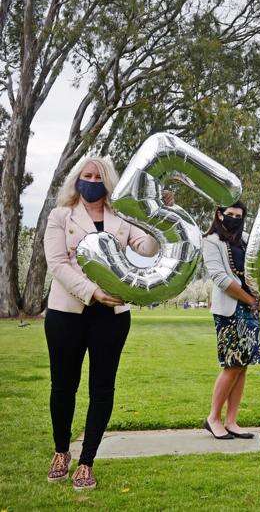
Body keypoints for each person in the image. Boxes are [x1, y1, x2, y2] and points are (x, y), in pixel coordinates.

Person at [43, 156, 169, 490]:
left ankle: (86, 461)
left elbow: (146, 246)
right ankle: (60, 452)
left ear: (108, 183)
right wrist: (93, 291)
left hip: (112, 317)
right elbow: (57, 264)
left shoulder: (123, 219)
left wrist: (159, 218)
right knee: (63, 387)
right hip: (66, 313)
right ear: (76, 179)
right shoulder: (60, 217)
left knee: (102, 388)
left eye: (98, 177)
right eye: (86, 175)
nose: (92, 181)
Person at [202, 203, 260, 439]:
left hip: (249, 310)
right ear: (219, 215)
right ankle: (213, 418)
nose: (233, 219)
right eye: (229, 215)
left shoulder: (246, 240)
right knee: (231, 365)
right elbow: (221, 278)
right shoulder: (211, 241)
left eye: (238, 216)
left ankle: (231, 420)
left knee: (242, 366)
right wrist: (252, 301)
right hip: (230, 310)